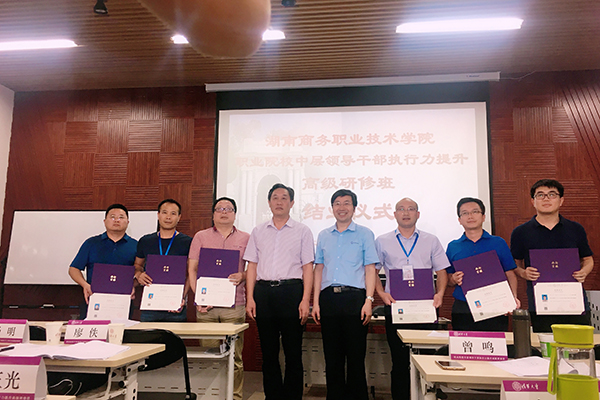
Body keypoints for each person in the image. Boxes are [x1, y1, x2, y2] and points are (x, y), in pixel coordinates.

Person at [244, 183, 314, 400]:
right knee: (269, 352)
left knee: (293, 352)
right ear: (269, 203)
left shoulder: (302, 231)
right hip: (264, 293)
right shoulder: (258, 231)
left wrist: (305, 300)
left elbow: (308, 267)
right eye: (275, 197)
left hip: (292, 292)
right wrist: (250, 298)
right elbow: (252, 266)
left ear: (291, 203)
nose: (279, 202)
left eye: (284, 198)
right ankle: (272, 396)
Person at [374, 197, 449, 400]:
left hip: (426, 307)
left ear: (418, 214)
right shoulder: (382, 240)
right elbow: (372, 271)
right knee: (399, 360)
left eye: (410, 209)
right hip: (396, 307)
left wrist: (440, 293)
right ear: (394, 214)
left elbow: (442, 271)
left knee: (426, 358)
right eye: (401, 209)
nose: (405, 212)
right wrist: (381, 293)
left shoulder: (431, 240)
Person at [312, 189, 378, 400]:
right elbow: (319, 269)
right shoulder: (324, 235)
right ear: (332, 208)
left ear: (354, 208)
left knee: (356, 357)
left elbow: (370, 269)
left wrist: (369, 300)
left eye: (347, 203)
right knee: (332, 358)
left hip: (355, 299)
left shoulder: (365, 234)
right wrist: (315, 302)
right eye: (337, 203)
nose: (342, 207)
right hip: (328, 299)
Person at [510, 179, 594, 332]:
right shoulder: (520, 232)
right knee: (545, 343)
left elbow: (588, 259)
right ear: (533, 201)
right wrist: (523, 273)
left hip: (573, 299)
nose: (546, 199)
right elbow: (514, 263)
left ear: (561, 201)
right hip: (541, 302)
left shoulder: (575, 229)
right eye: (540, 195)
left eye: (552, 194)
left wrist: (584, 272)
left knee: (578, 343)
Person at [187, 196, 250, 400]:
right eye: (219, 208)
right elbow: (192, 268)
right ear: (213, 214)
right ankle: (211, 395)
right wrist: (199, 298)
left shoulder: (246, 238)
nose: (224, 212)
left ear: (235, 214)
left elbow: (253, 269)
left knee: (235, 356)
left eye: (228, 208)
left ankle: (235, 396)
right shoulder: (201, 236)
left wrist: (243, 275)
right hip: (207, 308)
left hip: (235, 306)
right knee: (209, 355)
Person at [445, 197, 520, 331]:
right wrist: (453, 279)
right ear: (459, 220)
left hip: (495, 304)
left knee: (494, 342)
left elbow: (510, 274)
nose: (470, 216)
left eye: (475, 212)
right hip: (463, 307)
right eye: (465, 213)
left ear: (483, 216)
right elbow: (448, 279)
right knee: (464, 343)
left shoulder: (498, 243)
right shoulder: (453, 246)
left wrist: (513, 297)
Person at [68, 203, 138, 319]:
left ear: (127, 222)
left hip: (123, 301)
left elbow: (142, 273)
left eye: (121, 217)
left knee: (121, 330)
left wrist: (133, 284)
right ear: (105, 221)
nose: (117, 220)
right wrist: (85, 285)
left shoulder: (136, 246)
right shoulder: (91, 243)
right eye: (112, 217)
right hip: (94, 299)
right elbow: (73, 269)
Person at [134, 199, 192, 322]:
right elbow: (137, 265)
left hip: (176, 304)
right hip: (150, 305)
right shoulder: (145, 241)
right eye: (165, 212)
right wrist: (139, 275)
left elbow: (190, 273)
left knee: (175, 335)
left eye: (173, 213)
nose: (168, 217)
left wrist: (182, 296)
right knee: (148, 334)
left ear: (179, 217)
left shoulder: (188, 242)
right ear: (158, 215)